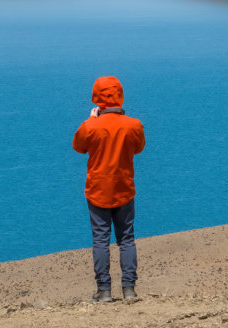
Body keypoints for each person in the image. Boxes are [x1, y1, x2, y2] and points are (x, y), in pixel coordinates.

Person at [73, 76, 145, 303]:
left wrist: (91, 120)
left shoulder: (90, 126)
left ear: (97, 98)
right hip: (124, 188)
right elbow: (139, 148)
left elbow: (78, 147)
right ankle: (129, 290)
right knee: (126, 239)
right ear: (120, 95)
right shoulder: (133, 125)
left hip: (97, 191)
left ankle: (104, 291)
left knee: (101, 240)